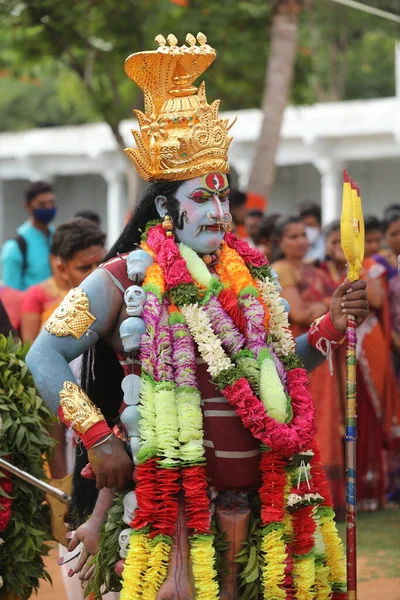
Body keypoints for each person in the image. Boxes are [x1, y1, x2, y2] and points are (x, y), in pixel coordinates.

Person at [26, 34, 368, 599]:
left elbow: (279, 375)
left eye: (223, 197)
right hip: (166, 516)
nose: (218, 212)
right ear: (165, 208)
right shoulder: (122, 279)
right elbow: (45, 354)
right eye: (201, 199)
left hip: (259, 514)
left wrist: (329, 324)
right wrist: (95, 437)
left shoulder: (252, 283)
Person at [322, 218, 400, 510]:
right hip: (336, 347)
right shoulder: (322, 272)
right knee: (346, 412)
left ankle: (370, 489)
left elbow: (376, 299)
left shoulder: (372, 268)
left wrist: (360, 269)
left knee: (367, 412)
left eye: (367, 241)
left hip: (369, 345)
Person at [271, 216, 346, 516]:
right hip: (302, 354)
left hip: (325, 350)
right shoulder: (281, 270)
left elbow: (323, 307)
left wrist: (322, 307)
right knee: (307, 420)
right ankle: (305, 495)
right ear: (280, 242)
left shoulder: (315, 270)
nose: (300, 241)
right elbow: (299, 312)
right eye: (292, 236)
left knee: (328, 420)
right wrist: (326, 306)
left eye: (303, 235)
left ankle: (329, 498)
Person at [21, 218, 106, 343]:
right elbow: (31, 351)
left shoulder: (114, 291)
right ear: (62, 269)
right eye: (84, 268)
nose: (96, 273)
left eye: (101, 263)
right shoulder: (35, 295)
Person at [0, 181, 56, 291]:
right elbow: (11, 295)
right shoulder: (15, 248)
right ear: (28, 206)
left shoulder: (59, 238)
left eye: (51, 203)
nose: (48, 208)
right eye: (42, 204)